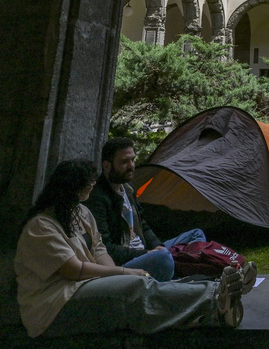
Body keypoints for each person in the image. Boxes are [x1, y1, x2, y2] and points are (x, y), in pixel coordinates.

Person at [15, 159, 255, 338]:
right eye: (88, 180)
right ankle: (216, 300)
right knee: (135, 285)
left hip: (83, 284)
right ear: (72, 187)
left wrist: (116, 273)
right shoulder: (41, 226)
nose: (93, 183)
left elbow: (99, 250)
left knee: (147, 283)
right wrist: (123, 273)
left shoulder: (80, 212)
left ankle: (219, 291)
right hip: (55, 305)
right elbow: (72, 270)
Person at [84, 137, 206, 281]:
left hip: (147, 252)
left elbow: (143, 226)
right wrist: (147, 253)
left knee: (196, 235)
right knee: (163, 258)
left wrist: (158, 246)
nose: (131, 166)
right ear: (107, 166)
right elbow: (107, 248)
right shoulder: (97, 198)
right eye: (124, 162)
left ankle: (177, 267)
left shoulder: (128, 190)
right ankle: (177, 270)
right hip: (128, 262)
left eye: (132, 160)